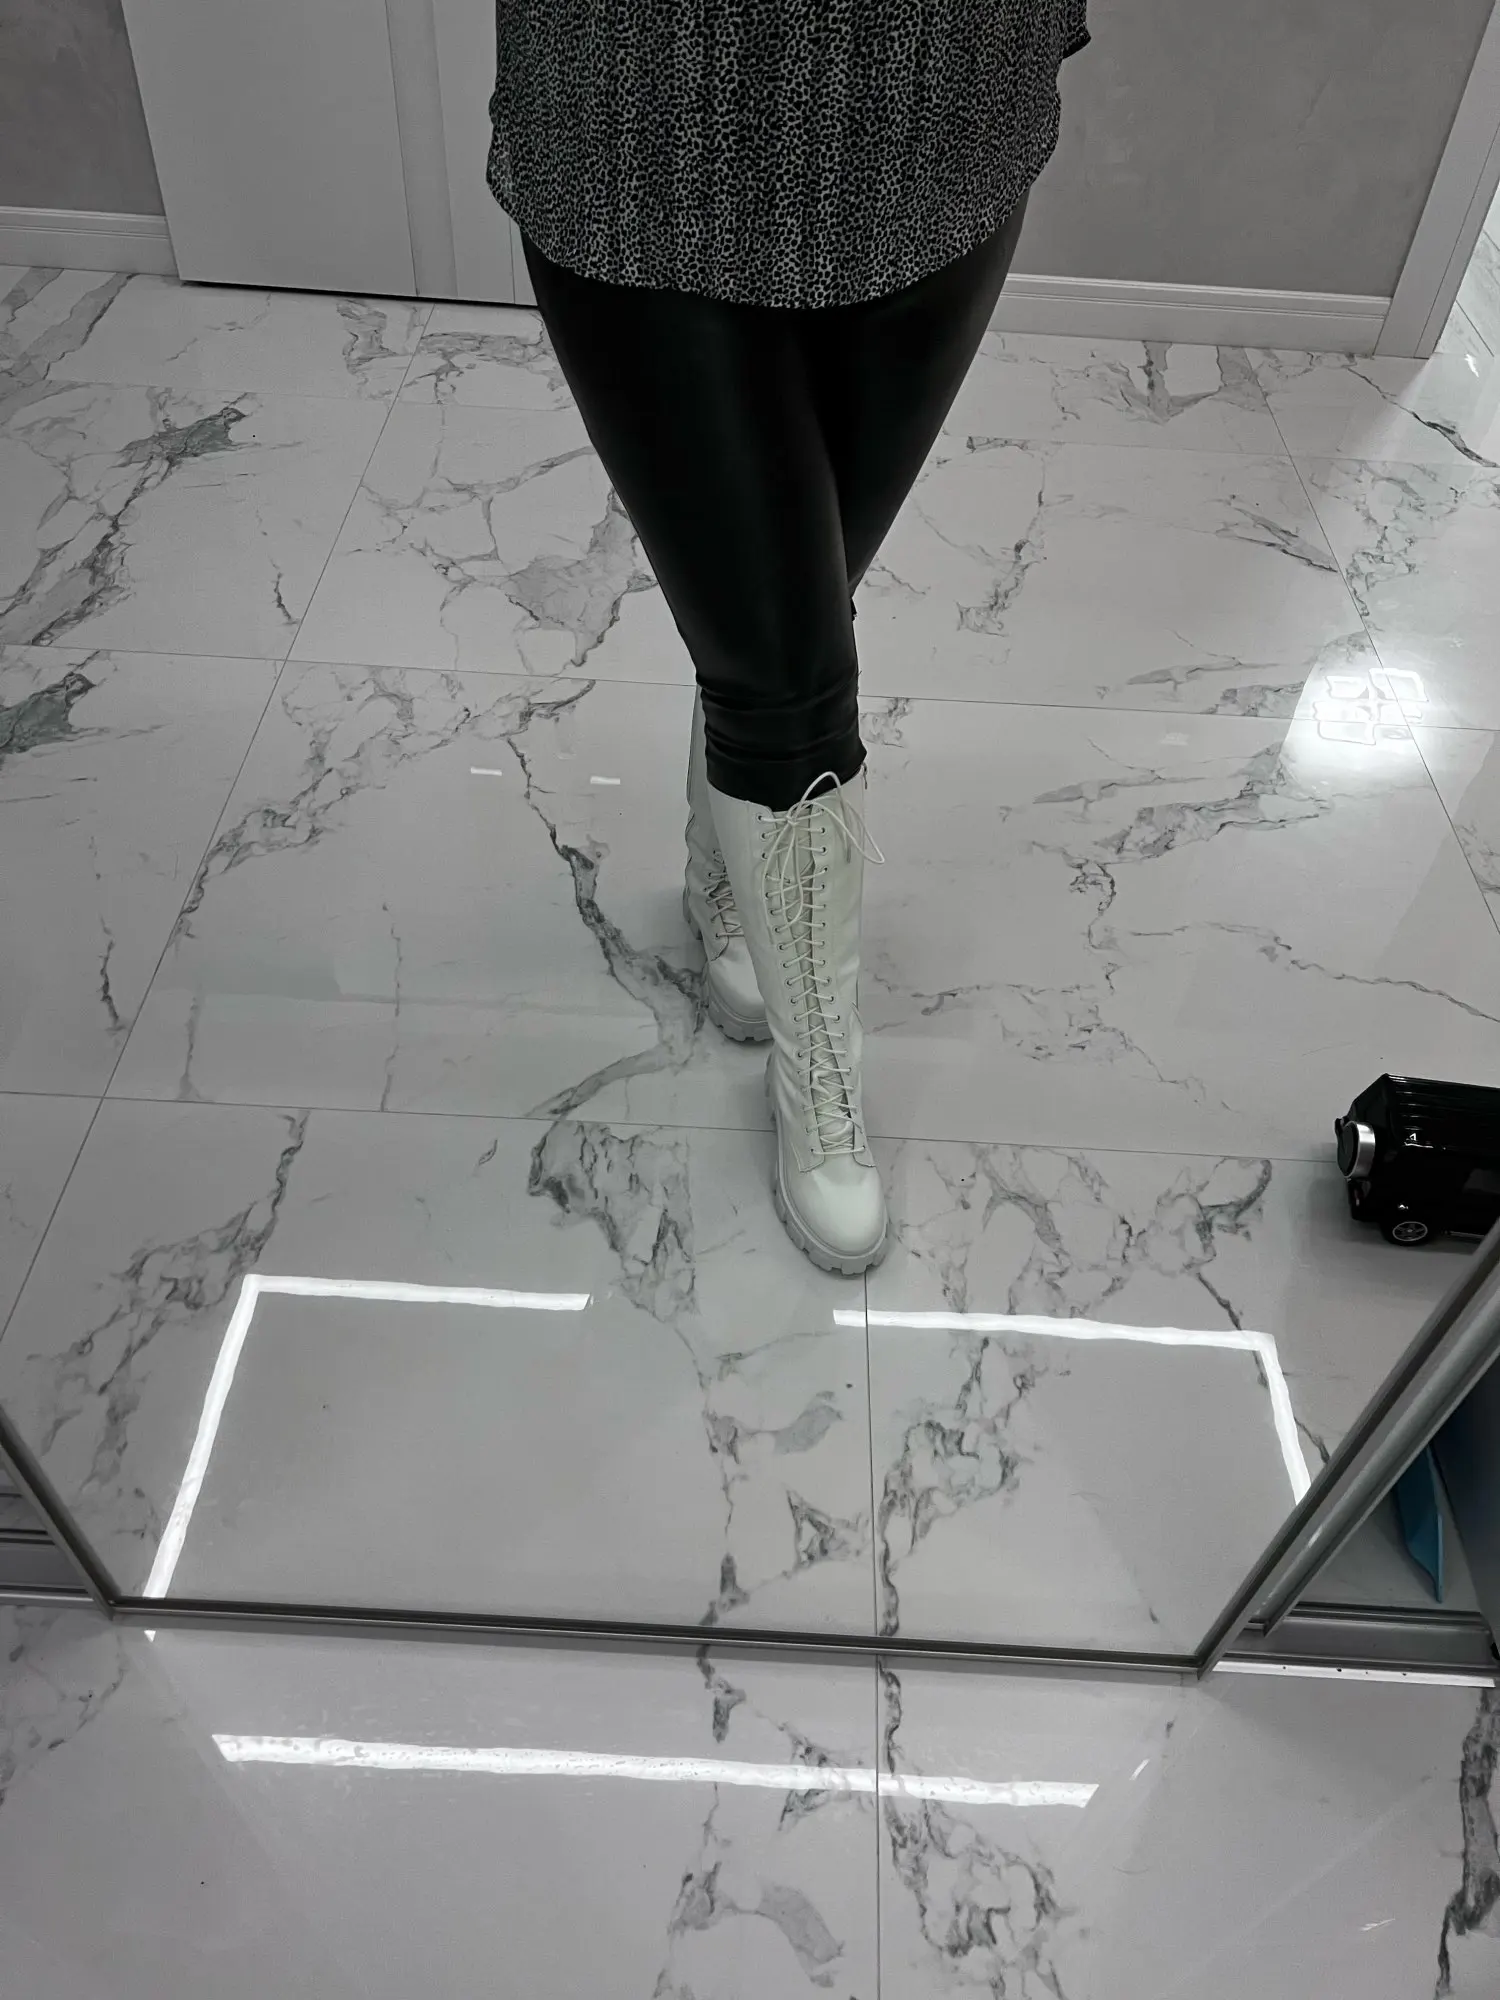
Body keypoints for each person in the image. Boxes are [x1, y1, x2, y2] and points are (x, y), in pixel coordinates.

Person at [488, 0, 1090, 1276]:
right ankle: (823, 1082)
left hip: (943, 96)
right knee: (787, 671)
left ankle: (723, 885)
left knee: (799, 594)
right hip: (645, 111)